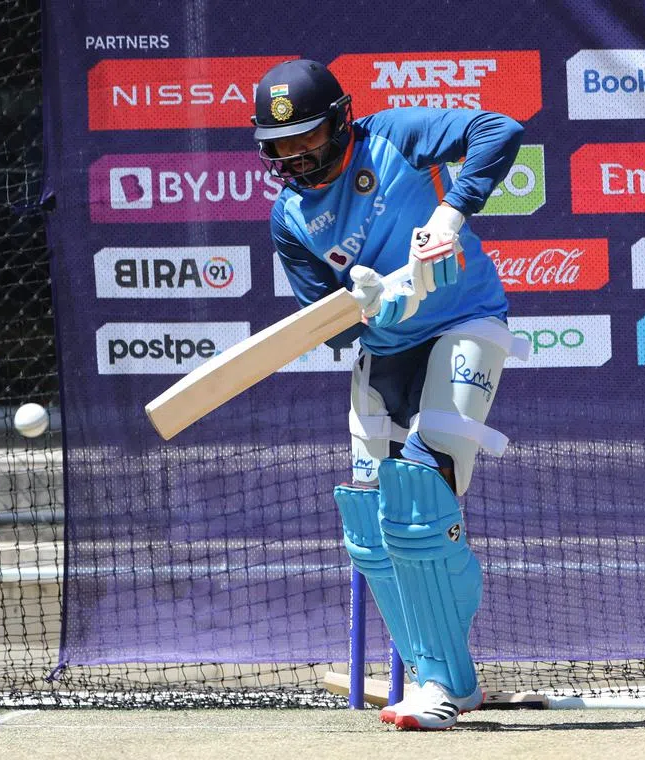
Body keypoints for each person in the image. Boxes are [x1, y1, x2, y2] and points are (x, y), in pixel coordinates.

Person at [251, 59, 529, 730]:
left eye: (307, 138)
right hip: (386, 352)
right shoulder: (290, 216)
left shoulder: (393, 138)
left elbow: (500, 127)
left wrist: (450, 210)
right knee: (371, 518)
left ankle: (444, 686)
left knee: (421, 495)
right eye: (280, 145)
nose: (295, 155)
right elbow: (326, 320)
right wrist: (368, 302)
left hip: (465, 320)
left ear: (341, 120)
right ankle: (433, 673)